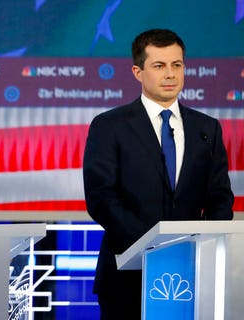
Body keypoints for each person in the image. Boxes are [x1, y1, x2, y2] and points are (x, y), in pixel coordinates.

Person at [83, 28, 234, 319]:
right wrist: (153, 246)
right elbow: (101, 198)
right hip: (127, 276)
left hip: (192, 275)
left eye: (177, 65)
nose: (170, 74)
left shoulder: (207, 129)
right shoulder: (109, 125)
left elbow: (219, 198)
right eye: (159, 66)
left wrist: (200, 247)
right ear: (138, 72)